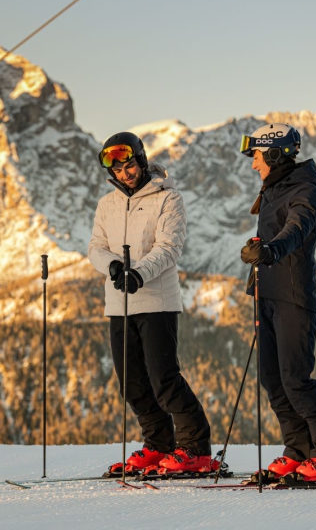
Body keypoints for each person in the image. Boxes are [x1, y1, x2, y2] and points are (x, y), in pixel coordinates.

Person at [88, 132, 213, 474]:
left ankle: (196, 448)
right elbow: (95, 247)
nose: (125, 174)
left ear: (142, 161)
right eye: (117, 170)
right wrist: (113, 266)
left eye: (129, 166)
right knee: (132, 384)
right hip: (119, 304)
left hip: (157, 301)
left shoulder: (167, 198)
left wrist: (139, 274)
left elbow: (169, 247)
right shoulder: (107, 204)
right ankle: (159, 445)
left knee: (164, 380)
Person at [239, 123, 316, 481]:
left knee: (296, 380)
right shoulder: (274, 186)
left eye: (257, 156)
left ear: (275, 153)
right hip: (267, 294)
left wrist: (271, 250)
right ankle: (299, 448)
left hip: (293, 296)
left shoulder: (305, 186)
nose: (254, 164)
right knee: (273, 379)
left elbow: (297, 228)